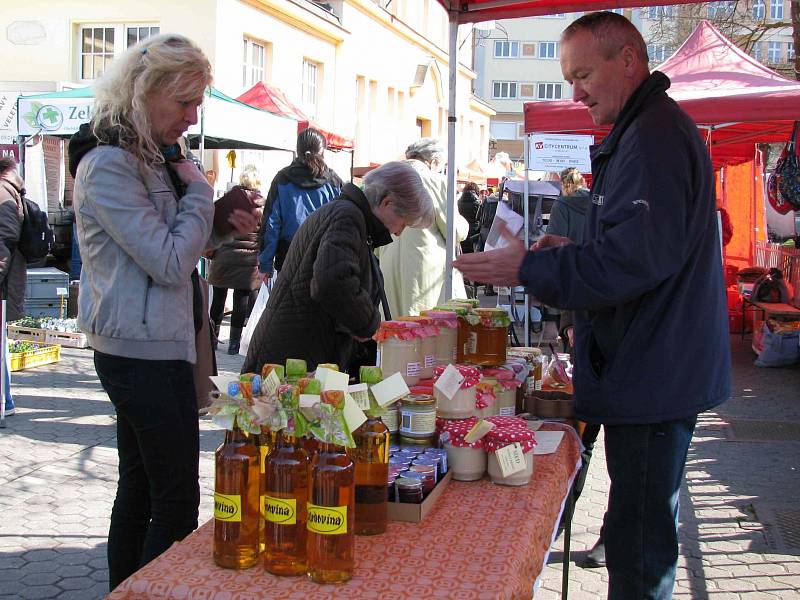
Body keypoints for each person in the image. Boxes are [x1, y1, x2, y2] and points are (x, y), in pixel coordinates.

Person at [454, 12, 730, 600]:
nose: (574, 92)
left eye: (582, 75)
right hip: (655, 368)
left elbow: (634, 263)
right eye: (568, 78)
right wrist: (572, 249)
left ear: (627, 60)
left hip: (656, 374)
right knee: (640, 533)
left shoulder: (652, 137)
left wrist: (527, 266)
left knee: (638, 546)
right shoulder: (644, 132)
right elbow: (638, 249)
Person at [68, 34, 258, 591]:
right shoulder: (108, 165)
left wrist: (220, 224)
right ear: (144, 93)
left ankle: (123, 589)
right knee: (175, 501)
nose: (192, 117)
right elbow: (170, 263)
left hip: (161, 342)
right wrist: (202, 195)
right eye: (184, 102)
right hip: (137, 351)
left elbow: (175, 250)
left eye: (198, 102)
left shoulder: (154, 160)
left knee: (142, 487)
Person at [242, 161, 434, 375]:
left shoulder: (347, 215)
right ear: (387, 203)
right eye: (403, 222)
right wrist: (368, 324)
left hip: (295, 352)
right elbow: (332, 279)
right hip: (294, 359)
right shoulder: (348, 217)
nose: (399, 232)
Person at [376, 138, 468, 317]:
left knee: (394, 324)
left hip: (388, 259)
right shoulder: (437, 181)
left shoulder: (384, 179)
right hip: (425, 265)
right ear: (433, 161)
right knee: (424, 327)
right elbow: (453, 230)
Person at [257, 128, 342, 281]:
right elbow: (342, 223)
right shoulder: (334, 182)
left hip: (289, 260)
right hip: (325, 259)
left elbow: (271, 224)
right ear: (323, 151)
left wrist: (265, 264)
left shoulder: (282, 179)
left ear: (298, 150)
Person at [207, 165, 265, 354]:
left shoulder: (229, 201)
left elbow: (214, 225)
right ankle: (233, 344)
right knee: (241, 301)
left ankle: (212, 339)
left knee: (218, 300)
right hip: (247, 262)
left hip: (223, 257)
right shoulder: (262, 206)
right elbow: (265, 234)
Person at [0, 156, 26, 417]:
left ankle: (5, 401)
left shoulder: (2, 193)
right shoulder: (8, 191)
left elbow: (4, 239)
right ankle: (5, 400)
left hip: (3, 286)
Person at [547, 167, 590, 242]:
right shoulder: (597, 201)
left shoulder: (560, 205)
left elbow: (554, 239)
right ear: (582, 182)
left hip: (570, 252)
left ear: (562, 184)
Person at [457, 181, 482, 254]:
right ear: (477, 191)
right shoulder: (479, 203)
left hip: (462, 232)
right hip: (474, 233)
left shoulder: (458, 202)